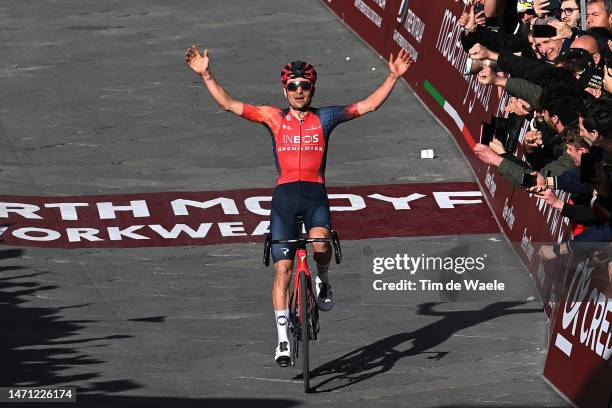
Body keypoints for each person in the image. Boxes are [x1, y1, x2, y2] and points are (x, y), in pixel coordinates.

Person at [185, 45, 414, 366]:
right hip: (284, 200)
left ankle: (322, 277)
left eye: (304, 85)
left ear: (312, 88)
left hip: (315, 196)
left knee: (321, 244)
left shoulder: (327, 117)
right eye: (293, 86)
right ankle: (282, 342)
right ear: (284, 89)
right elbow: (228, 104)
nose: (298, 91)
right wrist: (206, 74)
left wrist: (393, 76)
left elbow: (368, 106)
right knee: (283, 270)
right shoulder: (272, 117)